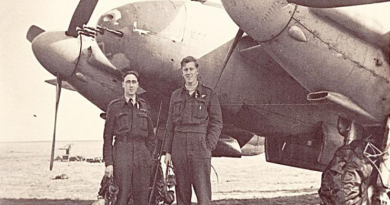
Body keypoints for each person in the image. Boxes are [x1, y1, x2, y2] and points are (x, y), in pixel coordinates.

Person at [163, 56, 223, 205]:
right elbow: (170, 125)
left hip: (200, 147)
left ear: (197, 71)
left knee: (203, 195)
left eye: (191, 69)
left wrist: (209, 145)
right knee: (182, 195)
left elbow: (217, 122)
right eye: (185, 70)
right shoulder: (175, 95)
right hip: (179, 147)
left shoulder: (209, 94)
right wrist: (168, 151)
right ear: (182, 73)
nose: (188, 73)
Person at [102, 70, 155, 205]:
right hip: (121, 152)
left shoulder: (144, 106)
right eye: (128, 82)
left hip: (142, 154)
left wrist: (148, 155)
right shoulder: (114, 106)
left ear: (137, 85)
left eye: (134, 82)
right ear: (123, 85)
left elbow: (151, 135)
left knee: (142, 197)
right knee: (121, 196)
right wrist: (109, 163)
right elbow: (107, 138)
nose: (131, 85)